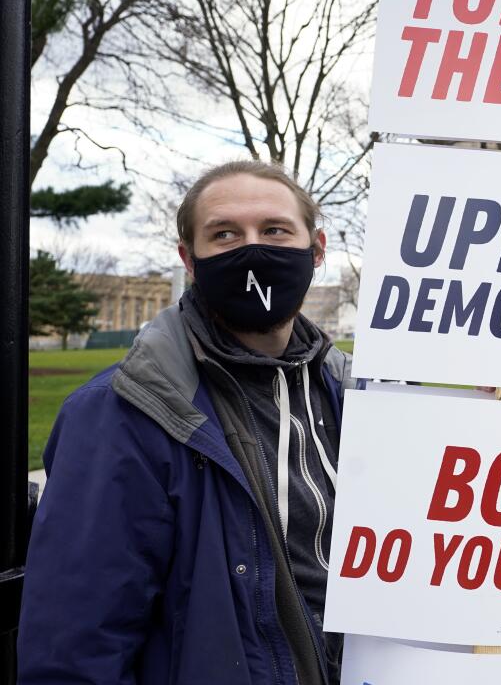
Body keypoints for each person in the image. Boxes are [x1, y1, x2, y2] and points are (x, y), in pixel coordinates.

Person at [19, 161, 356, 685]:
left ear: (316, 249)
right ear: (189, 259)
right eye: (225, 234)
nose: (253, 251)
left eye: (274, 230)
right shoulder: (119, 413)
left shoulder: (348, 394)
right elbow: (76, 646)